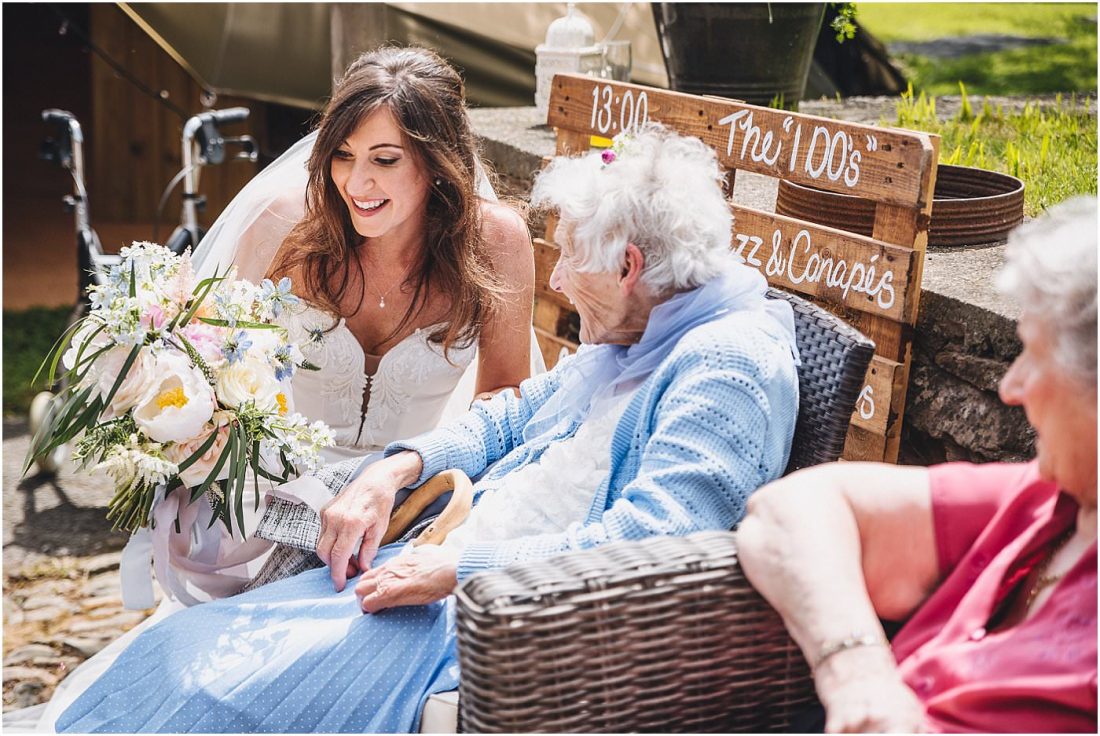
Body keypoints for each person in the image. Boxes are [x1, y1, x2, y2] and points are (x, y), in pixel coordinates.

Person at [56, 123, 801, 733]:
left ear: (631, 265)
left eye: (571, 259)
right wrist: (398, 466)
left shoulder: (727, 368)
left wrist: (459, 571)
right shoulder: (642, 332)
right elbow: (513, 416)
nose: (562, 282)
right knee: (183, 651)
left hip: (518, 617)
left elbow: (654, 542)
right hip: (446, 560)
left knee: (221, 693)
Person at [38, 45, 540, 731]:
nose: (357, 183)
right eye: (343, 156)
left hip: (407, 510)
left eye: (385, 160)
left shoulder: (497, 241)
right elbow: (215, 373)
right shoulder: (285, 227)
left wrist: (414, 485)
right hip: (267, 515)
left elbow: (505, 397)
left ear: (439, 160)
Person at [736, 196, 1097, 733]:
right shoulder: (1051, 500)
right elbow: (789, 509)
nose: (1009, 386)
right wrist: (858, 676)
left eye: (1033, 356)